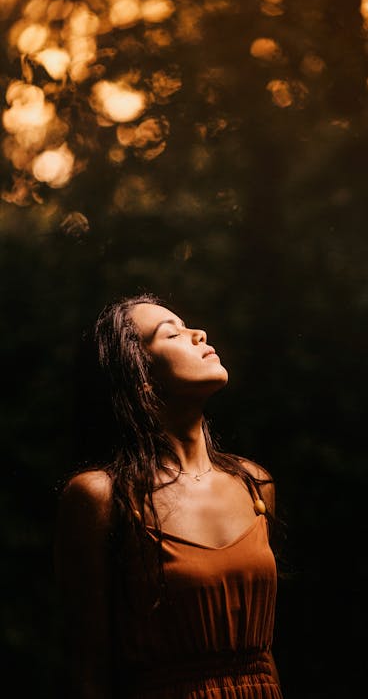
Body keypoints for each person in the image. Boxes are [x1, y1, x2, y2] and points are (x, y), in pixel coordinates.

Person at [54, 292, 285, 699]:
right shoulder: (100, 497)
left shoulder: (254, 484)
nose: (199, 334)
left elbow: (268, 657)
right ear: (141, 377)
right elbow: (87, 667)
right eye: (172, 333)